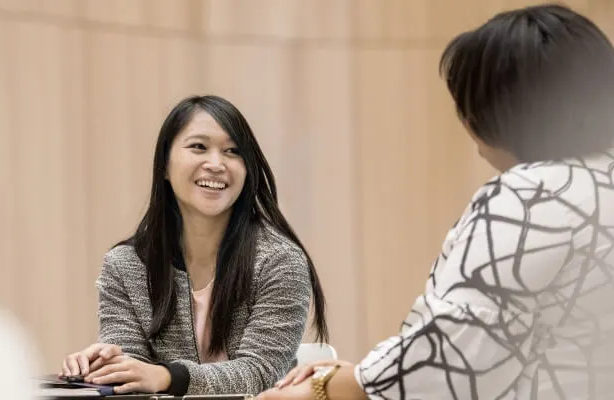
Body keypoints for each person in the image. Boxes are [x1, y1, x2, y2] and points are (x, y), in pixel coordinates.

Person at [258, 4, 614, 400]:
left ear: (497, 110)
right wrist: (365, 372)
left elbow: (456, 354)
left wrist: (328, 388)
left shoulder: (529, 196)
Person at [59, 95, 329, 395]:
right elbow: (135, 371)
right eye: (198, 147)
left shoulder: (280, 261)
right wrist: (109, 366)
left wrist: (167, 376)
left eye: (232, 152)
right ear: (164, 164)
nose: (215, 164)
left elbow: (261, 373)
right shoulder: (126, 264)